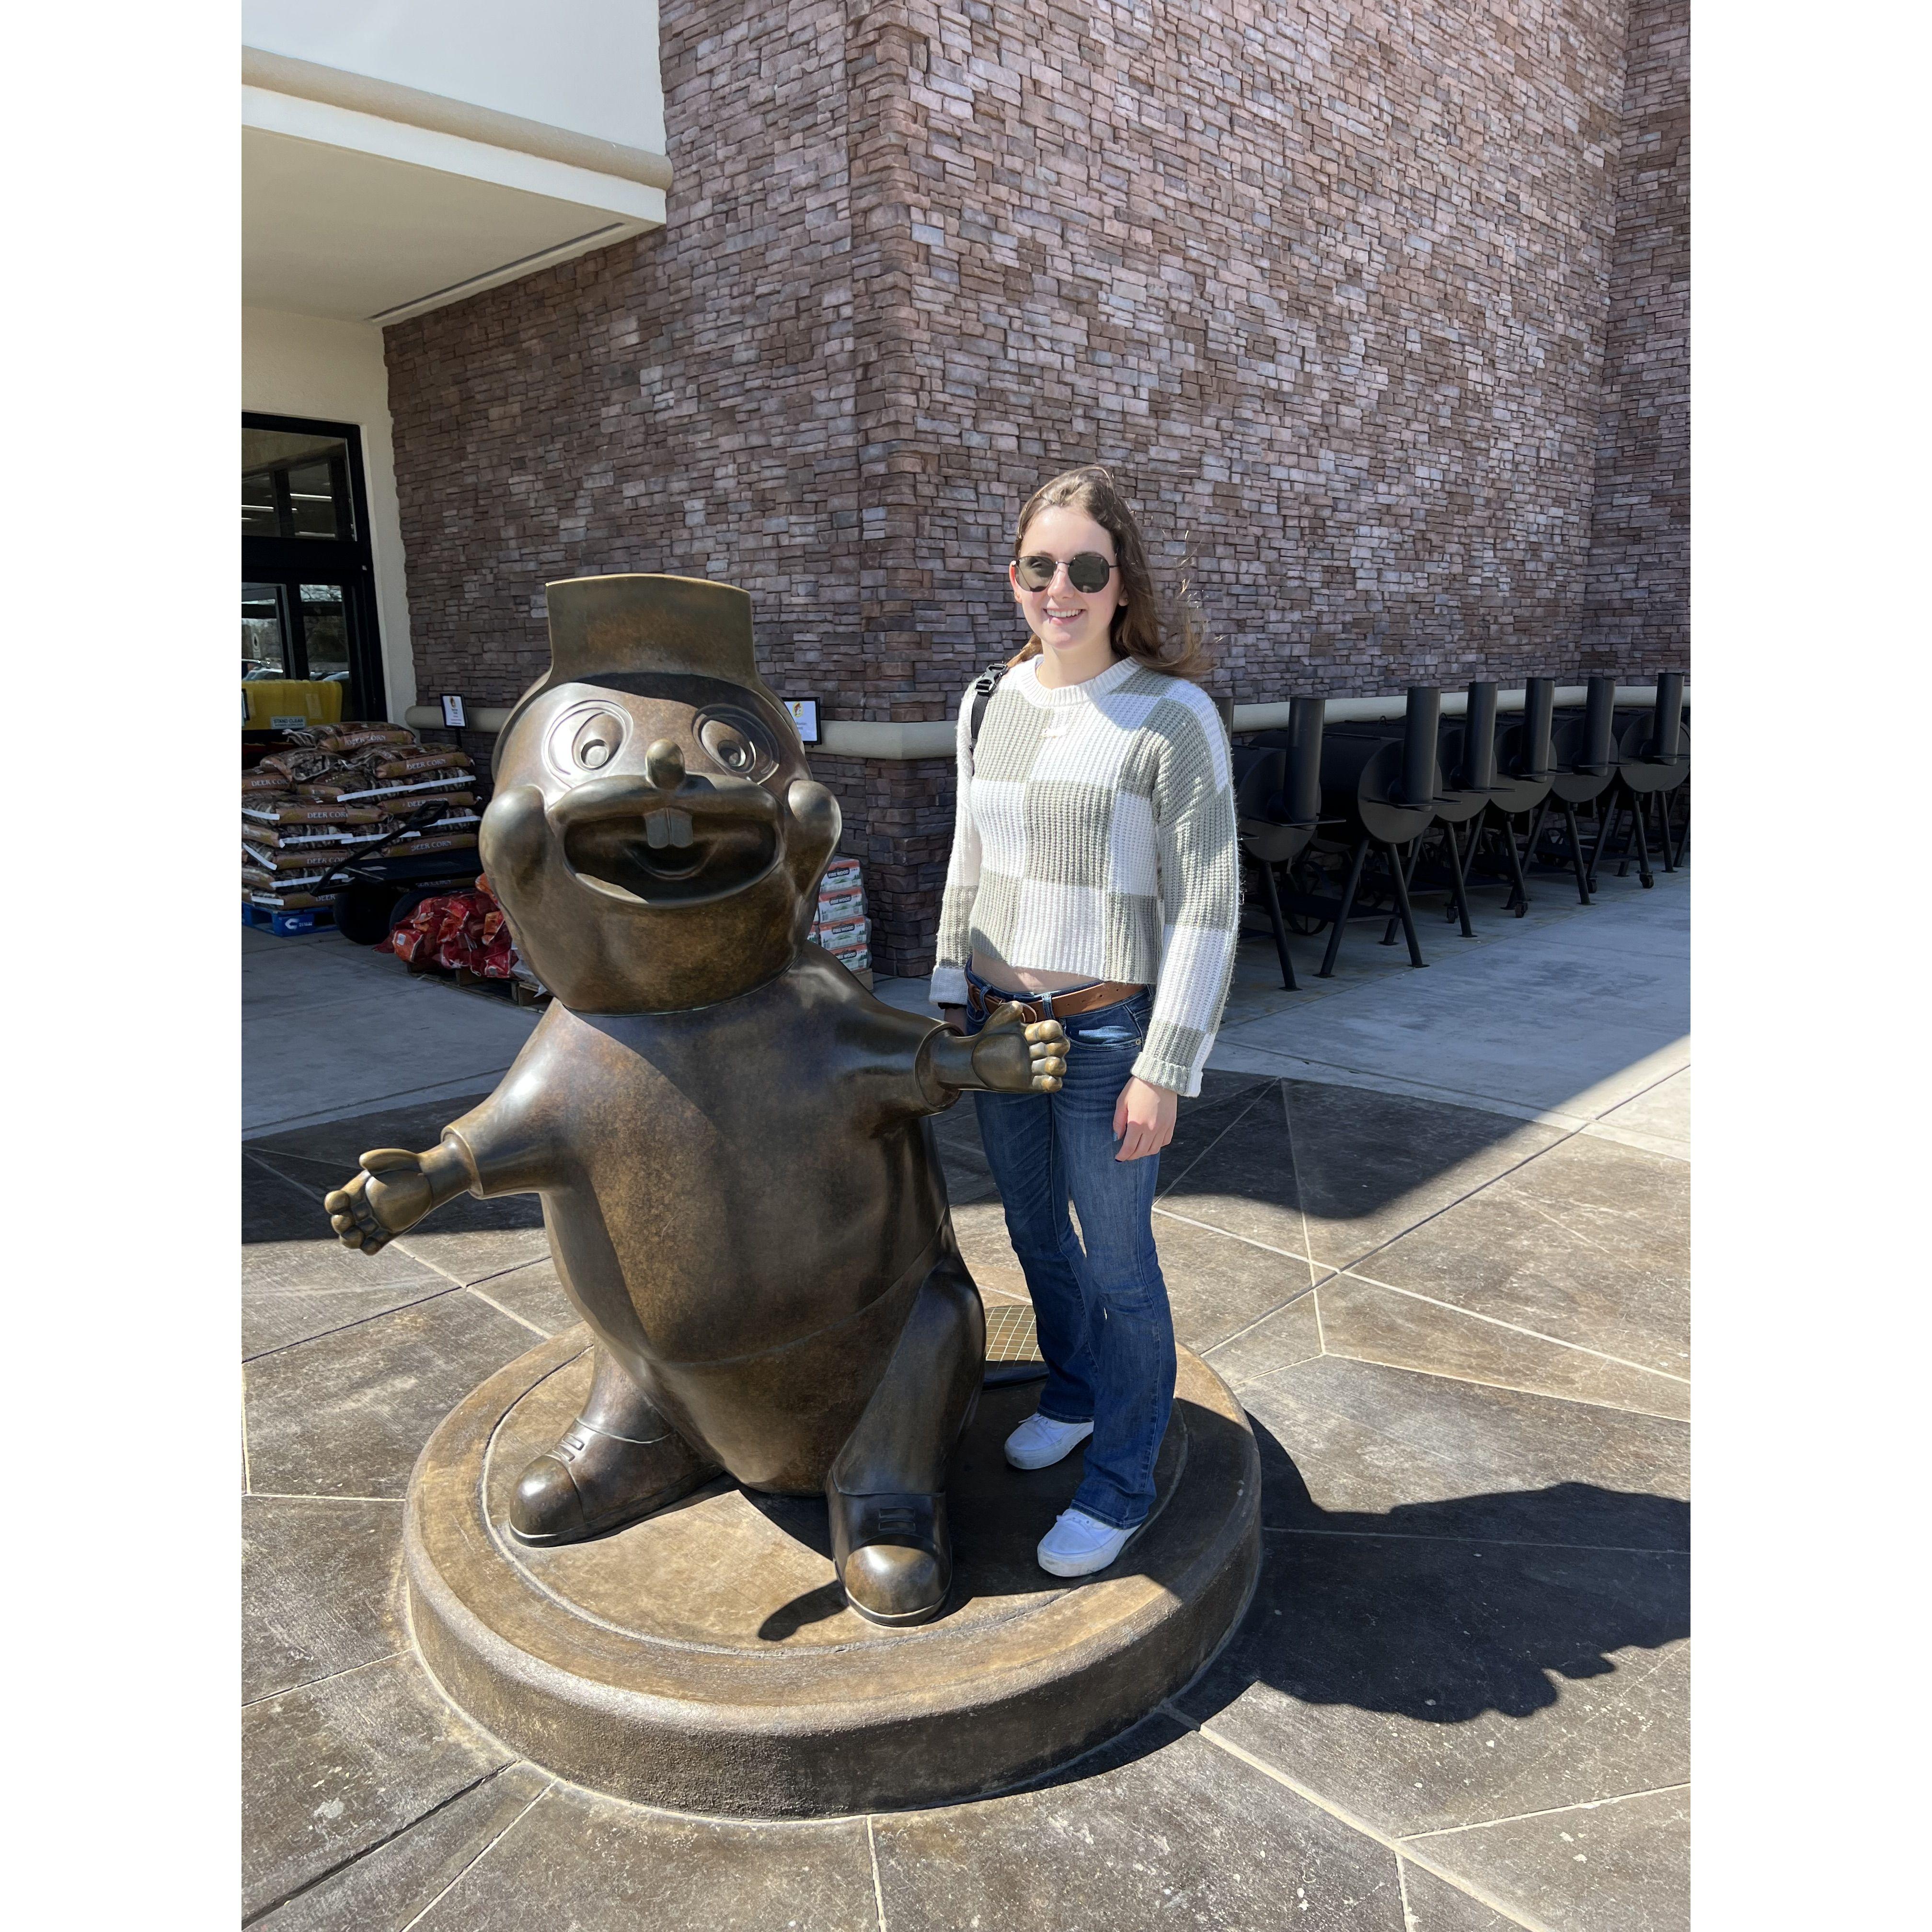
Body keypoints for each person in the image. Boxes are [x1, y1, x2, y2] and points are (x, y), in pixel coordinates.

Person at [930, 464, 1240, 1579]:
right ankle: (1069, 1389)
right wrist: (946, 1004)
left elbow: (1210, 897)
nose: (1059, 589)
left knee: (1119, 1267)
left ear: (1121, 585)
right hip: (1005, 1027)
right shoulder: (988, 705)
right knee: (1029, 1237)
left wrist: (1168, 1062)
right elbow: (970, 859)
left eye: (1085, 569)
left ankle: (1121, 1478)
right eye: (1039, 566)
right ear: (1014, 576)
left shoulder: (1172, 713)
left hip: (1110, 1037)